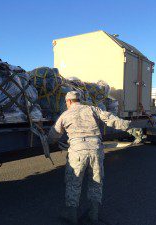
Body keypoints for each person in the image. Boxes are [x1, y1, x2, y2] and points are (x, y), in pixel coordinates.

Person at [48, 91, 131, 224]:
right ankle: (94, 216)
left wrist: (47, 140)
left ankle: (72, 215)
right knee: (96, 181)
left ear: (68, 101)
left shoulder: (65, 114)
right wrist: (127, 125)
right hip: (95, 149)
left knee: (73, 183)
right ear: (79, 100)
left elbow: (54, 135)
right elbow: (109, 118)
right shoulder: (91, 109)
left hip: (77, 151)